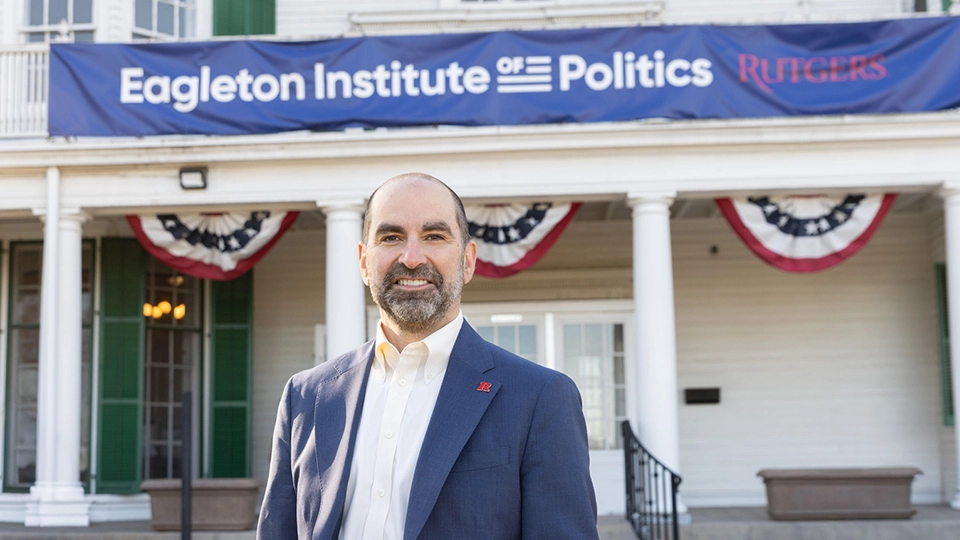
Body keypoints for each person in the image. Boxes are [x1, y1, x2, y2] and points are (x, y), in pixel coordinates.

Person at [257, 173, 598, 540]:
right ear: (363, 263)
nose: (412, 257)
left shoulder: (541, 399)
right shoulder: (307, 396)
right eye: (391, 237)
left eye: (435, 236)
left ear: (467, 261)